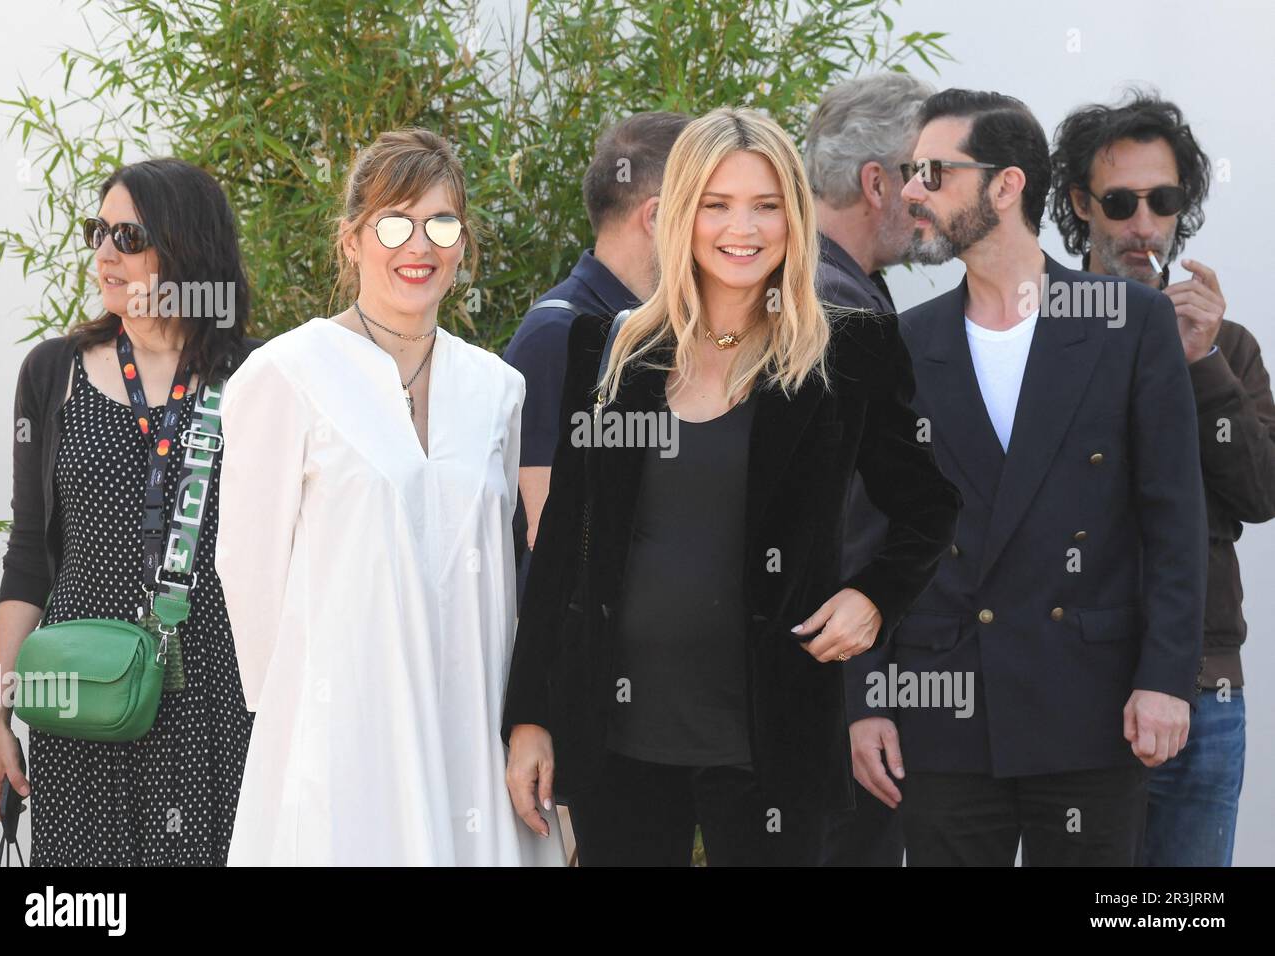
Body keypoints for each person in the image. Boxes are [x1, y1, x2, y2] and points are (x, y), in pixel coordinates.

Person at [502, 106, 962, 866]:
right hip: (620, 741)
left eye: (765, 205)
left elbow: (929, 506)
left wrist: (875, 596)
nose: (740, 228)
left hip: (770, 743)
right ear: (681, 213)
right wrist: (530, 719)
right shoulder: (609, 353)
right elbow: (560, 552)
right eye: (716, 204)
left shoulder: (848, 354)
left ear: (794, 215)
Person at [847, 89, 1208, 866]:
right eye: (912, 173)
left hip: (1092, 705)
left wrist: (1166, 679)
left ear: (1006, 187)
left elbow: (1173, 519)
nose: (912, 191)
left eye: (934, 173)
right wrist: (866, 697)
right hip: (942, 711)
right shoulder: (901, 343)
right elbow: (868, 536)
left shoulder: (1129, 325)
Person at [215, 127, 563, 866]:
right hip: (345, 736)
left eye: (441, 223)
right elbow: (248, 573)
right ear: (351, 241)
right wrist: (307, 719)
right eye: (394, 223)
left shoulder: (498, 389)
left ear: (462, 244)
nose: (420, 245)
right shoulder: (286, 375)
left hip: (471, 729)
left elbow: (500, 565)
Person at [0, 158, 257, 865]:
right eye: (96, 232)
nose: (104, 254)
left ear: (188, 248)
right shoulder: (53, 373)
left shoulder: (259, 378)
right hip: (83, 691)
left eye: (128, 237)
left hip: (216, 696)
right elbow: (28, 558)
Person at [1051, 91, 1275, 867]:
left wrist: (1202, 362)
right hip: (1068, 673)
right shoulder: (1036, 333)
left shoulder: (1228, 346)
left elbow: (1261, 493)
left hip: (1205, 682)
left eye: (1164, 200)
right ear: (1082, 204)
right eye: (1120, 202)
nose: (1143, 225)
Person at [803, 69, 935, 867]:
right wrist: (864, 699)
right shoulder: (828, 309)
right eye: (929, 176)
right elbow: (842, 528)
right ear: (878, 182)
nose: (937, 201)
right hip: (833, 703)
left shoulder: (848, 294)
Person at [503, 112, 690, 599]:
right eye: (707, 206)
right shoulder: (557, 335)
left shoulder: (662, 328)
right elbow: (551, 535)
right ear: (656, 217)